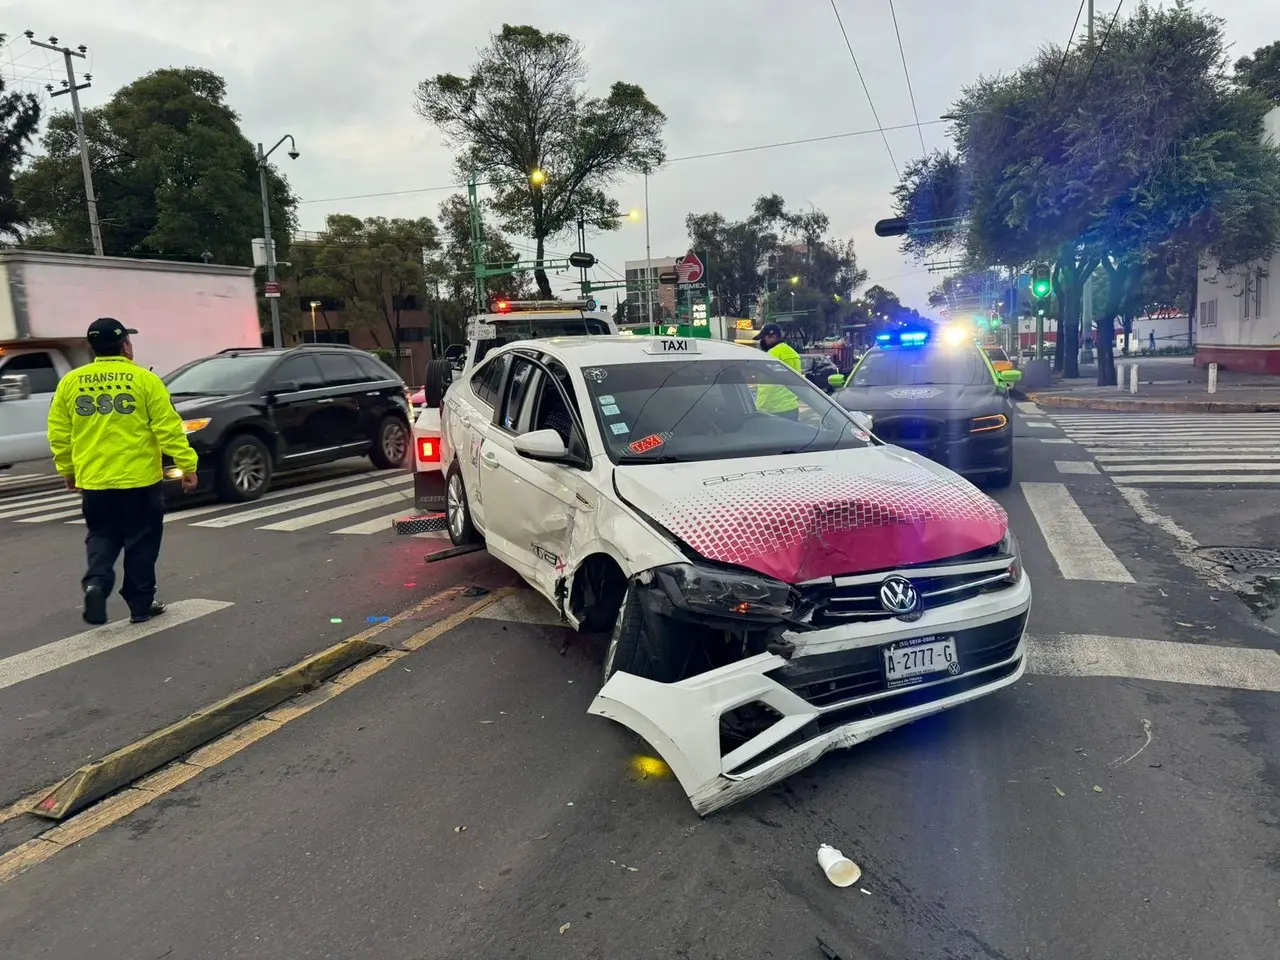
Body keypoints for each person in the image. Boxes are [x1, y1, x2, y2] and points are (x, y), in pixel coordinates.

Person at [46, 318, 199, 626]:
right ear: (125, 346)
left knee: (101, 535)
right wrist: (187, 466)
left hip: (96, 481)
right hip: (139, 480)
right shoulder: (144, 380)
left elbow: (59, 433)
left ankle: (97, 584)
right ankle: (141, 605)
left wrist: (68, 469)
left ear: (93, 347)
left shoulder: (71, 382)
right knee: (141, 540)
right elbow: (167, 428)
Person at [752, 322, 803, 419]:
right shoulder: (794, 354)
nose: (762, 341)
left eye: (764, 338)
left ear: (773, 337)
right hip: (791, 408)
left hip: (773, 410)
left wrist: (760, 409)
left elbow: (766, 387)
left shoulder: (771, 354)